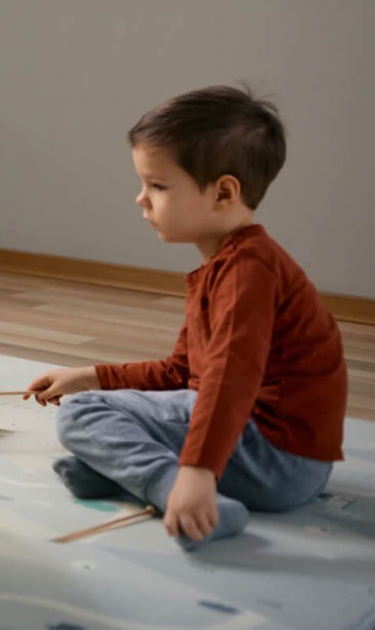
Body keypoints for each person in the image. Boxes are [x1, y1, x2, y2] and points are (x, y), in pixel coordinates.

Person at [27, 86, 346, 550]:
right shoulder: (228, 266)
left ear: (223, 193)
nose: (141, 199)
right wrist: (91, 374)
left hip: (275, 458)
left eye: (157, 186)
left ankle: (177, 490)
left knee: (82, 416)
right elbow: (185, 373)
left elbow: (227, 381)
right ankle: (141, 478)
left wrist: (197, 473)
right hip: (281, 461)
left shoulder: (247, 273)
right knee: (96, 403)